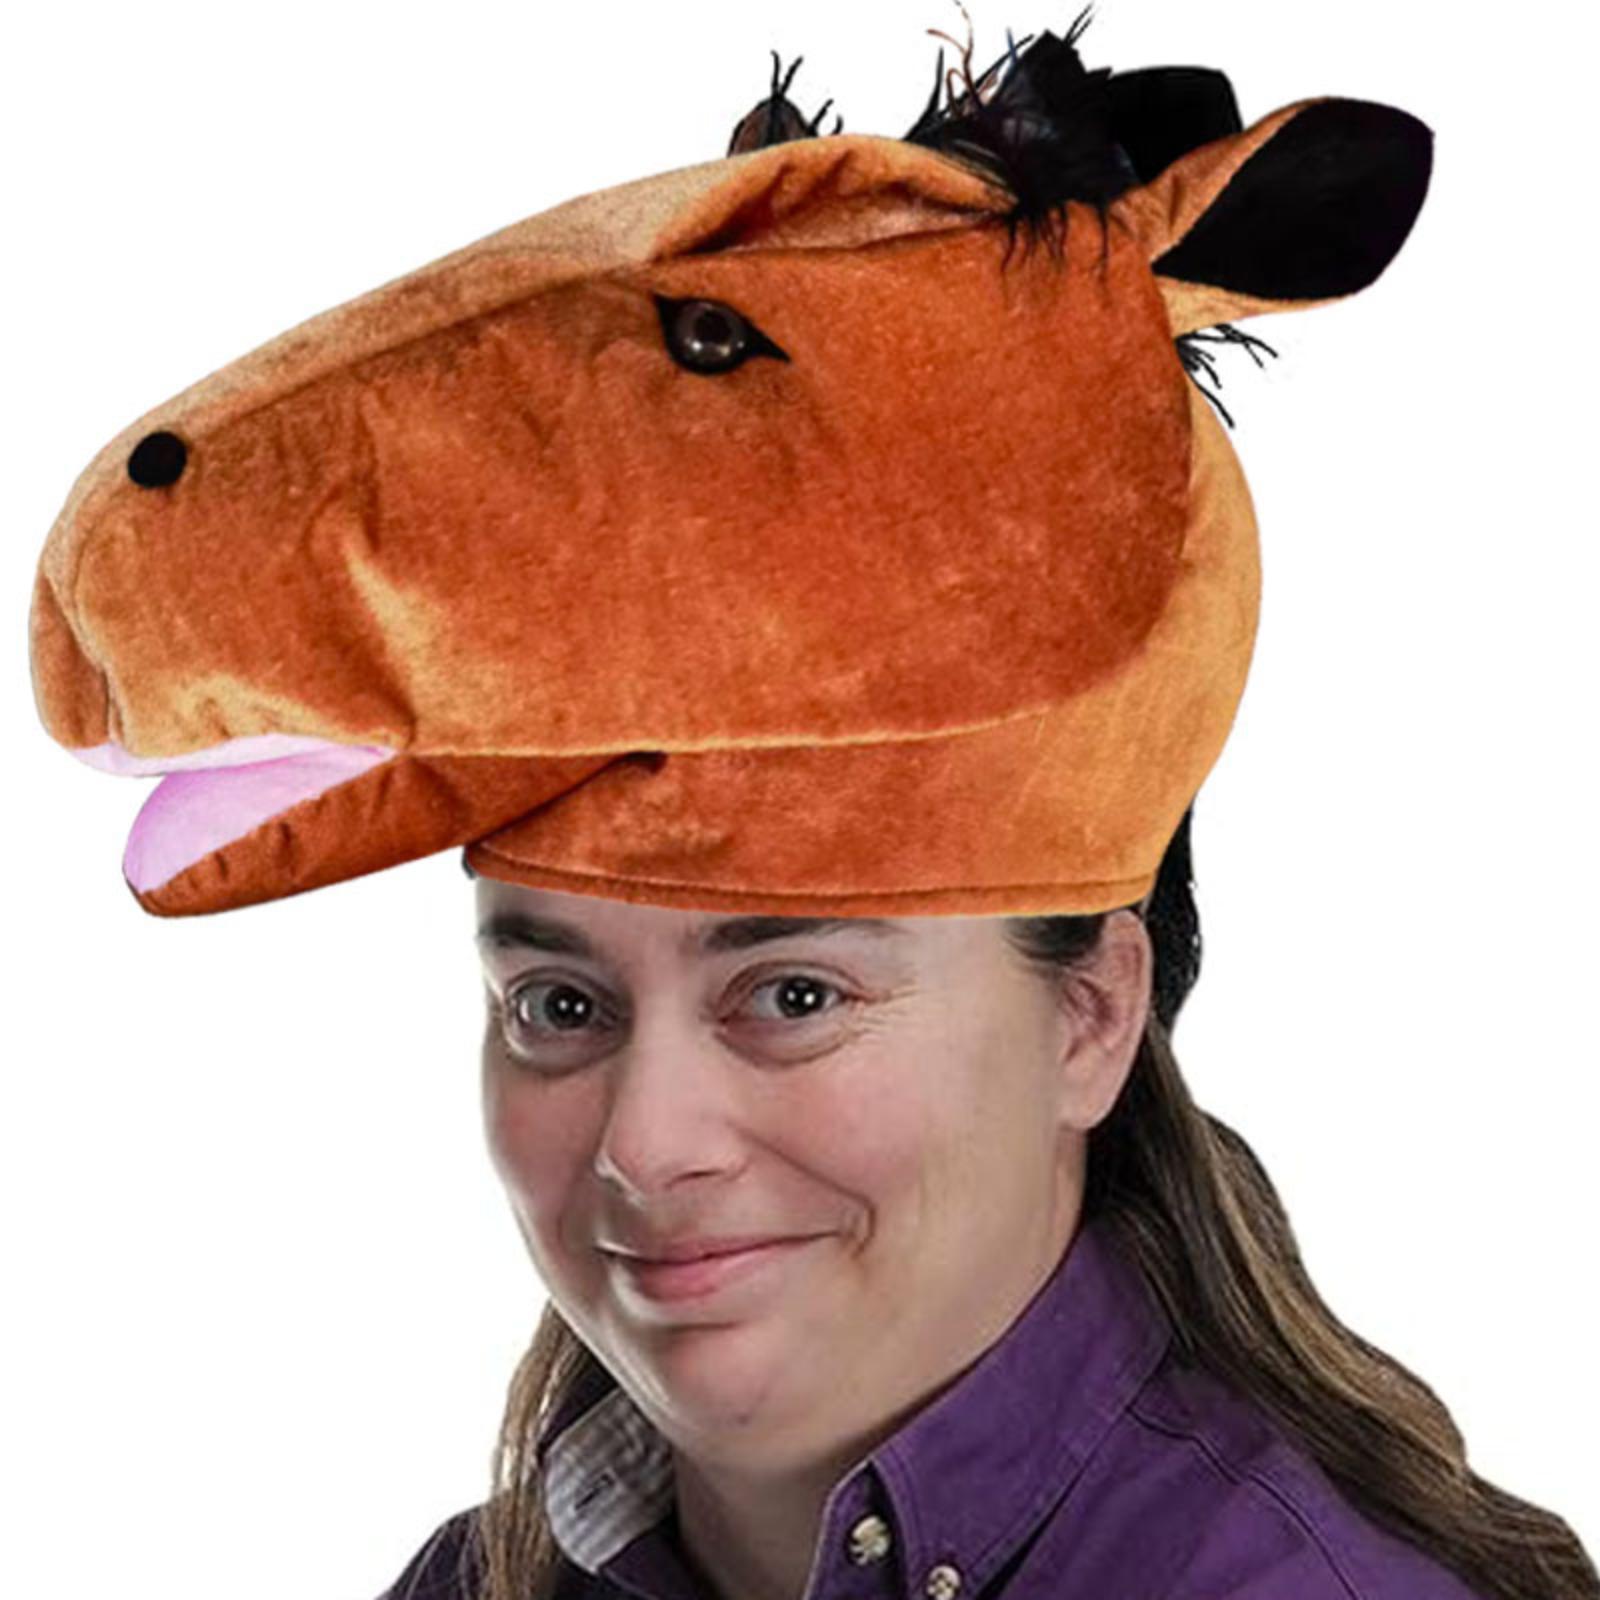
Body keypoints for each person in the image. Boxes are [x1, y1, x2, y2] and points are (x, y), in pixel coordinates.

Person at [21, 11, 1597, 1600]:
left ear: (1091, 1018)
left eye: (793, 994)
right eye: (558, 1004)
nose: (646, 1145)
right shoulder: (495, 1578)